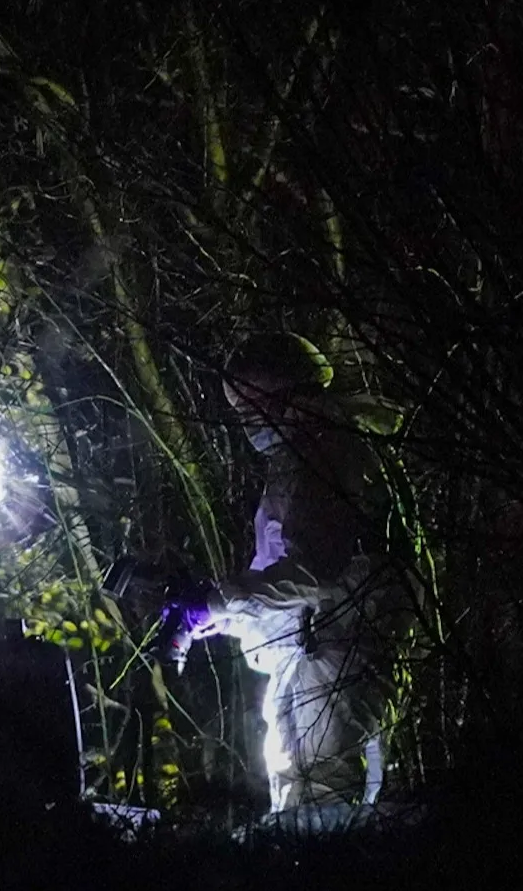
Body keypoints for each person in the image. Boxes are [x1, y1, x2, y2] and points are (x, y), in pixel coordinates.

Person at [168, 333, 411, 820]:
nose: (243, 418)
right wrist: (222, 616)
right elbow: (282, 589)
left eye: (247, 404)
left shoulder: (329, 450)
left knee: (322, 800)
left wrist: (217, 603)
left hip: (337, 660)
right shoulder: (301, 454)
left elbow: (314, 576)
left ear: (281, 390)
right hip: (317, 657)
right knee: (301, 798)